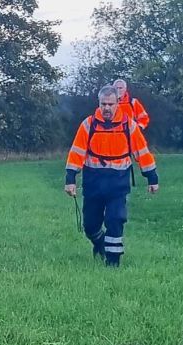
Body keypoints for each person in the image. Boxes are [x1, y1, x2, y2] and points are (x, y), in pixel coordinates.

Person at [64, 85, 159, 267]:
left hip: (118, 183)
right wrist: (70, 179)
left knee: (115, 220)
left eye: (110, 104)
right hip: (93, 182)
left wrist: (151, 177)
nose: (106, 108)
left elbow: (143, 152)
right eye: (103, 104)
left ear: (118, 104)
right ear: (98, 104)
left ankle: (113, 263)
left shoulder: (128, 125)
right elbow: (76, 152)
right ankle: (99, 243)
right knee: (90, 226)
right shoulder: (88, 124)